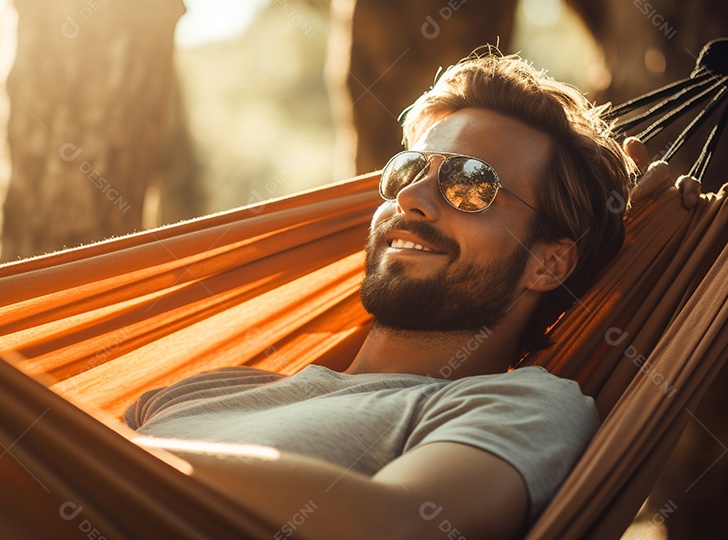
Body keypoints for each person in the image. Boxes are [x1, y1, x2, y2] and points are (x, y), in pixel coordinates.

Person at [124, 51, 701, 540]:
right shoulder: (197, 393)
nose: (413, 199)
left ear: (549, 262)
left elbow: (396, 523)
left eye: (472, 184)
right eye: (407, 172)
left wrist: (118, 455)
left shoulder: (518, 405)